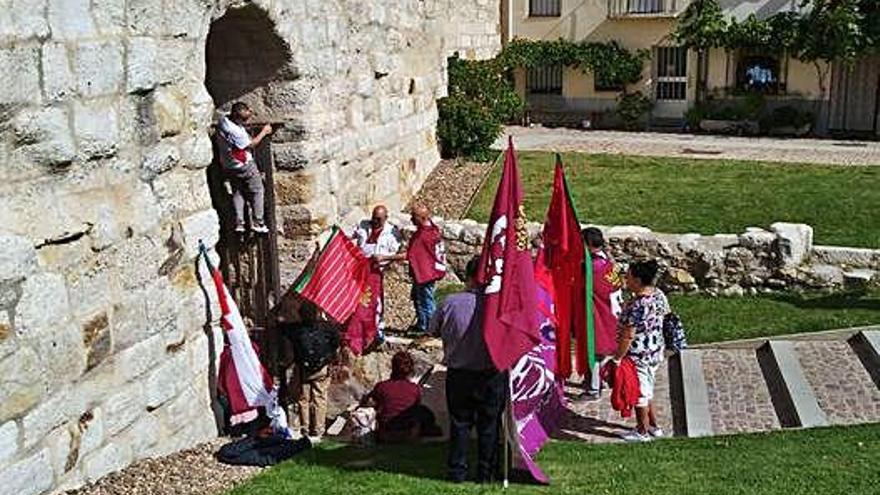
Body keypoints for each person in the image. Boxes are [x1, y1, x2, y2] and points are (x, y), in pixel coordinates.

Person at [430, 256, 506, 483]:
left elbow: (432, 329)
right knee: (489, 425)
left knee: (460, 424)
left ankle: (457, 471)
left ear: (468, 276)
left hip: (460, 372)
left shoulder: (450, 302)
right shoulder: (498, 305)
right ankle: (486, 472)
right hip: (490, 372)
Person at [613, 260, 670, 442]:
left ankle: (642, 431)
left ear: (637, 280)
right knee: (648, 388)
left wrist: (618, 358)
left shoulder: (637, 305)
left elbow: (628, 335)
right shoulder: (659, 295)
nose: (625, 280)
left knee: (640, 394)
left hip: (638, 356)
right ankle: (654, 425)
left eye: (628, 277)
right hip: (655, 351)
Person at [346, 205, 404, 353]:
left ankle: (376, 330)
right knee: (357, 300)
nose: (375, 221)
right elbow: (348, 236)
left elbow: (400, 253)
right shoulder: (363, 225)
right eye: (373, 218)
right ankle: (355, 329)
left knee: (374, 302)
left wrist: (384, 258)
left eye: (378, 219)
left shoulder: (392, 233)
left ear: (385, 218)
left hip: (376, 272)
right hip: (359, 270)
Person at [280, 310, 340, 444]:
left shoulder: (297, 329)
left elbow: (286, 333)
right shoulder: (327, 327)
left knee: (303, 399)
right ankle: (318, 430)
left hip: (304, 368)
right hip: (322, 367)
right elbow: (336, 342)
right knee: (319, 397)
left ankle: (305, 429)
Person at [361, 350, 442, 443]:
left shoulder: (381, 387)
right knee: (423, 411)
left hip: (385, 434)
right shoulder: (414, 389)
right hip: (408, 433)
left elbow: (369, 402)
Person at [216, 102, 272, 234]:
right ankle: (259, 222)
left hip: (228, 165)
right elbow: (251, 145)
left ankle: (239, 223)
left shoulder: (224, 121)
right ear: (238, 118)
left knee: (238, 192)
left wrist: (248, 111)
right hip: (243, 165)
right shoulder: (236, 132)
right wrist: (264, 132)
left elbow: (240, 112)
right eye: (245, 118)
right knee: (258, 190)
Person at [582, 227, 624, 399]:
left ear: (589, 245)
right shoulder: (607, 261)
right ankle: (602, 380)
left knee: (595, 351)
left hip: (602, 314)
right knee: (603, 351)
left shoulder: (594, 268)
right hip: (613, 313)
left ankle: (594, 388)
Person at [406, 204, 446, 335]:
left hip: (425, 273)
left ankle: (431, 328)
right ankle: (422, 323)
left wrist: (386, 257)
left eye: (414, 216)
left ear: (421, 218)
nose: (411, 219)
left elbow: (410, 254)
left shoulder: (423, 236)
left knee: (426, 301)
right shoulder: (432, 229)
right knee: (418, 298)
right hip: (428, 271)